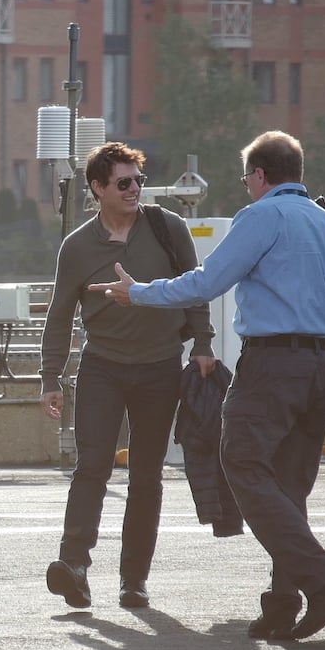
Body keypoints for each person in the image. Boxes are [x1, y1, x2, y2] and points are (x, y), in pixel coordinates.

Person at [90, 130, 325, 640]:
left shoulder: (261, 217)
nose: (246, 188)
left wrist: (139, 293)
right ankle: (282, 605)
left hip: (272, 365)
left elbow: (206, 281)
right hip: (322, 366)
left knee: (239, 462)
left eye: (246, 179)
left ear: (259, 175)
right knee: (289, 487)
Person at [40, 141, 216, 610]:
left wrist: (203, 343)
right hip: (102, 367)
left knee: (146, 476)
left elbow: (193, 286)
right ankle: (73, 564)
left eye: (138, 180)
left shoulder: (167, 227)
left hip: (160, 367)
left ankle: (133, 580)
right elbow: (59, 315)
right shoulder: (76, 247)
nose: (134, 188)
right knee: (91, 466)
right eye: (123, 182)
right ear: (97, 188)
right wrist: (49, 377)